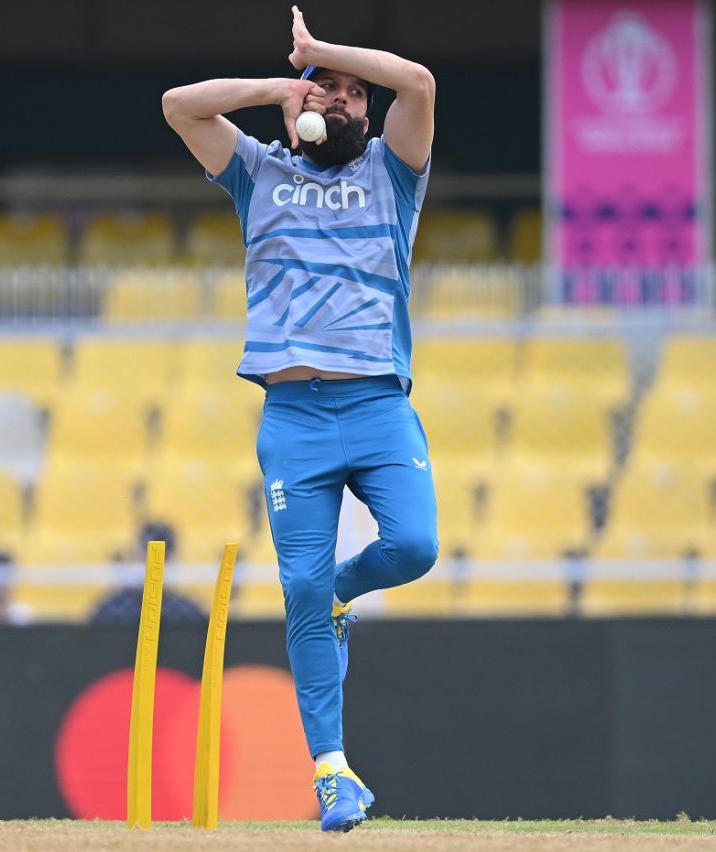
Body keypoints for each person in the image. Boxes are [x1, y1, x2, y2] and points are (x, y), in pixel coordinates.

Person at [162, 5, 437, 833]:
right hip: (294, 414)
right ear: (293, 107)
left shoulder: (396, 170)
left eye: (355, 93)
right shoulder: (255, 171)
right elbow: (180, 105)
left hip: (378, 403)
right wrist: (281, 84)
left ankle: (343, 600)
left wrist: (322, 53)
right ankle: (333, 774)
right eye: (328, 92)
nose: (343, 100)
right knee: (300, 588)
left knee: (414, 548)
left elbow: (418, 82)